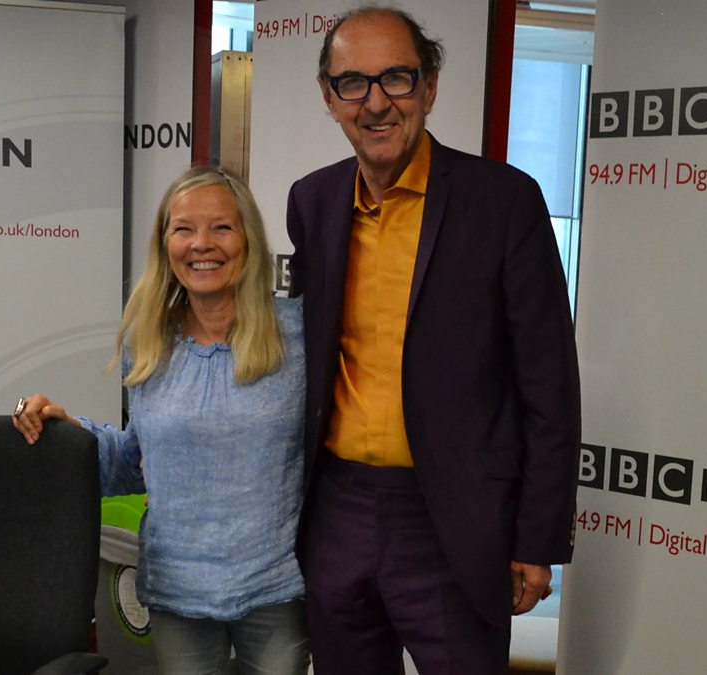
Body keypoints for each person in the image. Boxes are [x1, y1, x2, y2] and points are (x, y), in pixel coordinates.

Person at [285, 6, 581, 674]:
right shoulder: (313, 201)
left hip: (455, 521)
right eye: (353, 83)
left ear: (430, 87)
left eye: (396, 77)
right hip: (337, 512)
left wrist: (537, 537)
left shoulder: (504, 201)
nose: (376, 103)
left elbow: (549, 386)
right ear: (329, 97)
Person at [13, 166, 309, 675]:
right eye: (183, 229)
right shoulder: (149, 342)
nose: (201, 244)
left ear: (248, 239)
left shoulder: (299, 335)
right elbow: (137, 460)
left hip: (276, 589)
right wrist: (67, 433)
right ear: (165, 244)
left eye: (221, 227)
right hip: (178, 591)